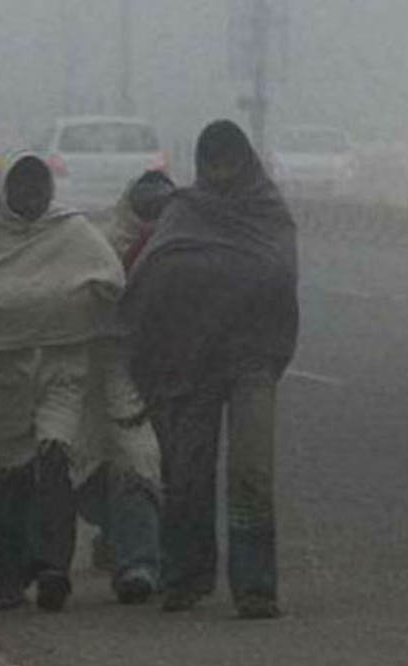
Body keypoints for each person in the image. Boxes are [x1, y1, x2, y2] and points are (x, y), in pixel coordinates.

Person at [121, 120, 299, 619]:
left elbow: (279, 275)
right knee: (187, 469)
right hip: (191, 357)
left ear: (245, 162)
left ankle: (255, 587)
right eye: (212, 162)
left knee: (251, 470)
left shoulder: (268, 211)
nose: (220, 172)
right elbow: (154, 270)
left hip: (252, 355)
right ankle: (186, 577)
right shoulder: (186, 210)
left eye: (229, 161)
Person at [0, 152, 126, 612]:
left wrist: (63, 307)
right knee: (4, 477)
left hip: (63, 366)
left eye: (40, 186)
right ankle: (9, 578)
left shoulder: (71, 231)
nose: (32, 196)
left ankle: (54, 566)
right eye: (23, 186)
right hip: (6, 374)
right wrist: (55, 299)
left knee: (56, 460)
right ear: (6, 191)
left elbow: (112, 280)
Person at [77, 169, 177, 601]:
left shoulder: (182, 243)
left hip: (169, 366)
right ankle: (132, 551)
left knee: (156, 458)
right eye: (147, 205)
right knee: (112, 457)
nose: (154, 214)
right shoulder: (102, 246)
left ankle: (144, 556)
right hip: (109, 362)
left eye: (162, 206)